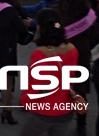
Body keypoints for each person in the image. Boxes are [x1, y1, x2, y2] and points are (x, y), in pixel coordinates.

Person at [19, 8, 79, 136]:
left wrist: (26, 103)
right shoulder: (72, 49)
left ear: (40, 27)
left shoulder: (40, 53)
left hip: (42, 111)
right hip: (65, 109)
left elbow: (34, 85)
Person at [54, 0, 97, 135]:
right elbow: (94, 35)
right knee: (79, 91)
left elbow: (54, 29)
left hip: (61, 51)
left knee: (57, 87)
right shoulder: (89, 13)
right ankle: (81, 124)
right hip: (82, 53)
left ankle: (54, 120)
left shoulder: (58, 10)